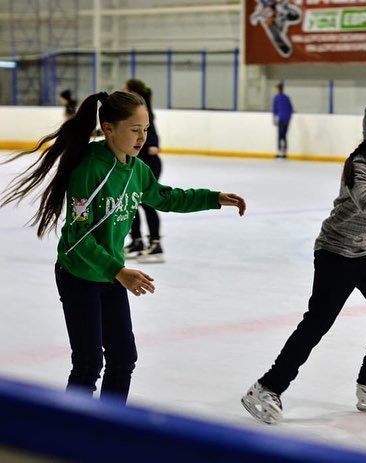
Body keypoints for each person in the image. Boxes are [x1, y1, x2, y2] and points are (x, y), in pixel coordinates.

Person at [0, 91, 246, 403]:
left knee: (123, 358)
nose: (142, 137)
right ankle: (74, 435)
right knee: (88, 364)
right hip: (79, 276)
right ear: (109, 128)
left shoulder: (137, 169)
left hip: (111, 275)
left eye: (145, 129)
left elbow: (166, 198)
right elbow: (76, 241)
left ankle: (107, 429)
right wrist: (119, 271)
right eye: (134, 130)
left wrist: (213, 198)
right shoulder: (91, 169)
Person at [242, 99, 366, 424]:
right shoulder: (358, 164)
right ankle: (266, 387)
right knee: (318, 322)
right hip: (335, 253)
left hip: (365, 250)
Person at [122, 79, 164, 262]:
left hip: (149, 164)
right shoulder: (134, 113)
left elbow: (152, 134)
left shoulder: (143, 112)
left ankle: (156, 244)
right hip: (138, 163)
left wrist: (153, 144)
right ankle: (137, 241)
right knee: (132, 204)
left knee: (147, 203)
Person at [272, 82, 293, 158]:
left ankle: (279, 151)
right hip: (287, 118)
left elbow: (274, 109)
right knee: (284, 135)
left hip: (281, 118)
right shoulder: (286, 97)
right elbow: (290, 108)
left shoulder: (276, 98)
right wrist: (289, 117)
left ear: (278, 89)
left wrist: (274, 119)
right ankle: (284, 152)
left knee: (280, 135)